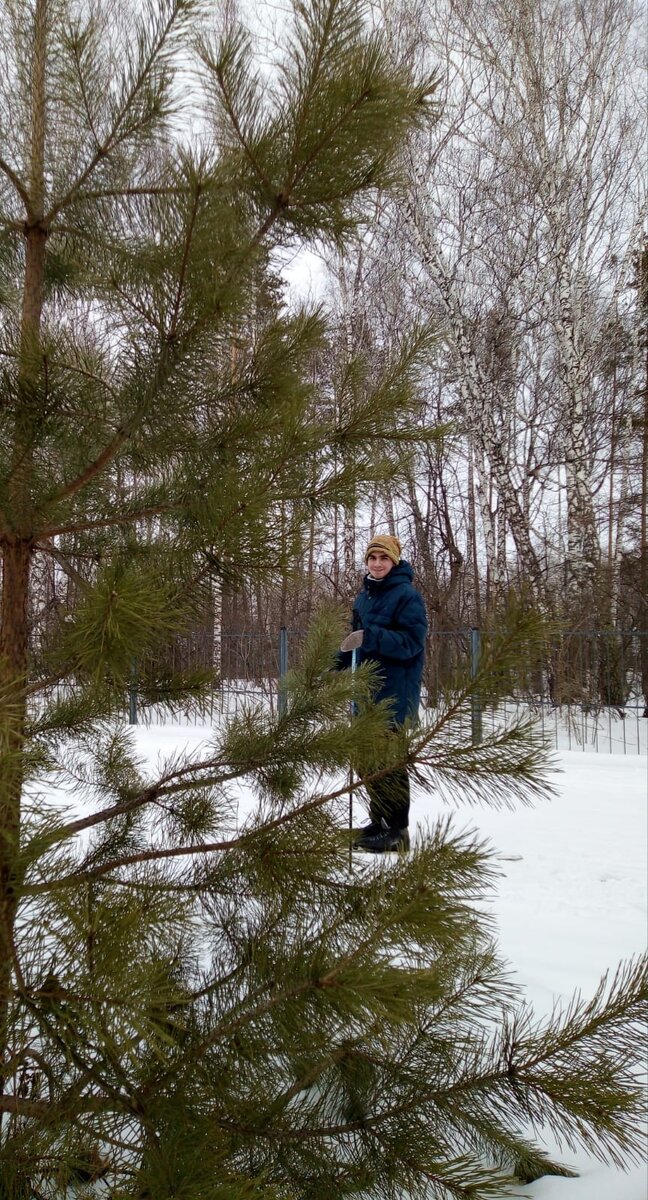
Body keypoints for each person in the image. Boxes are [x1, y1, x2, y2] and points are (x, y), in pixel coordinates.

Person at [338, 534, 427, 853]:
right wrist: (335, 660)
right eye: (372, 559)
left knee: (388, 762)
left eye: (384, 559)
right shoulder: (364, 598)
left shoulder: (407, 596)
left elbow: (411, 644)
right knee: (366, 762)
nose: (377, 564)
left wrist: (369, 636)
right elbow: (355, 642)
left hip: (393, 693)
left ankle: (397, 831)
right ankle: (379, 821)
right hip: (364, 693)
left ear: (395, 561)